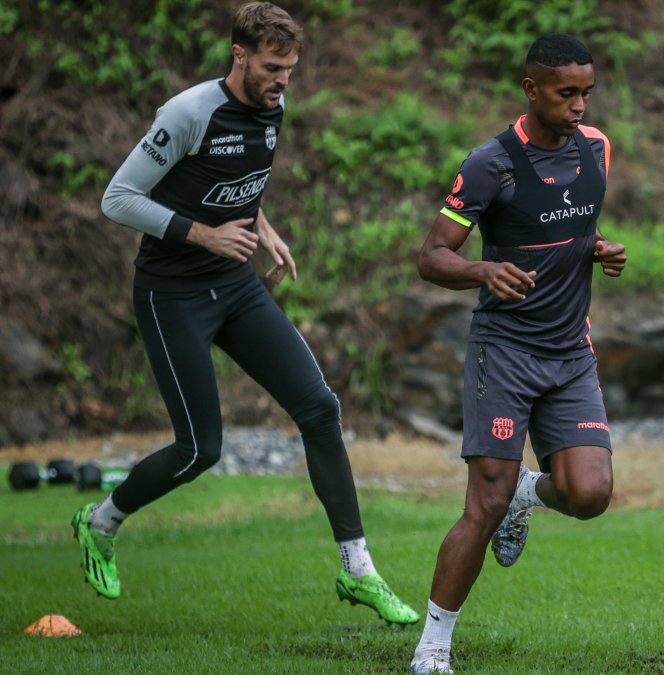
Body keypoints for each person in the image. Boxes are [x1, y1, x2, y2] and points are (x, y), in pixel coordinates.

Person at [72, 2, 418, 626]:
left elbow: (233, 179)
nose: (283, 80)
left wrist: (264, 225)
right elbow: (117, 198)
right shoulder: (188, 113)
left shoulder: (273, 107)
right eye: (271, 66)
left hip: (235, 286)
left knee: (320, 408)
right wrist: (204, 235)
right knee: (200, 450)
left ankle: (357, 567)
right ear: (239, 55)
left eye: (290, 68)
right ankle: (100, 521)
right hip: (171, 294)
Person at [408, 33, 626, 674]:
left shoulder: (598, 150)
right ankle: (432, 650)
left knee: (589, 493)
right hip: (503, 352)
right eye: (566, 93)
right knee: (484, 504)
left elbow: (565, 230)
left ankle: (534, 493)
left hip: (570, 351)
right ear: (531, 90)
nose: (580, 105)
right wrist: (483, 272)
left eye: (587, 92)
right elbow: (431, 257)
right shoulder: (490, 163)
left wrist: (599, 248)